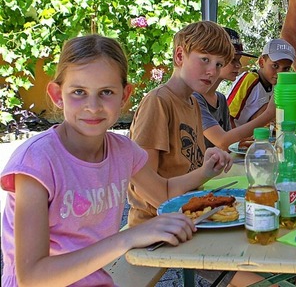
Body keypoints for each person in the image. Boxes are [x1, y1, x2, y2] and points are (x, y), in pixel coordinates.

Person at [0, 35, 232, 286]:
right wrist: (128, 237)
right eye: (79, 92)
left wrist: (206, 172)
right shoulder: (37, 161)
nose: (93, 106)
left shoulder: (122, 151)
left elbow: (163, 192)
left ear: (124, 96)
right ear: (58, 95)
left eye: (106, 92)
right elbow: (32, 277)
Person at [127, 21, 236, 226]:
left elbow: (185, 163)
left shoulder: (193, 102)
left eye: (218, 64)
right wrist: (204, 173)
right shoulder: (158, 102)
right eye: (205, 59)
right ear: (179, 56)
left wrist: (209, 161)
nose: (212, 71)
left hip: (188, 216)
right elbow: (146, 188)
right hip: (155, 225)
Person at [193, 27, 275, 151]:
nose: (239, 65)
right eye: (232, 60)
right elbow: (222, 142)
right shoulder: (194, 99)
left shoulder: (220, 99)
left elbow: (229, 143)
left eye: (238, 60)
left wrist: (242, 142)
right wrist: (269, 114)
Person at [226, 38, 294, 128]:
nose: (279, 74)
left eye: (286, 69)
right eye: (275, 66)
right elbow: (227, 115)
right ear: (262, 62)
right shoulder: (249, 79)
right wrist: (236, 140)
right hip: (236, 134)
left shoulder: (276, 85)